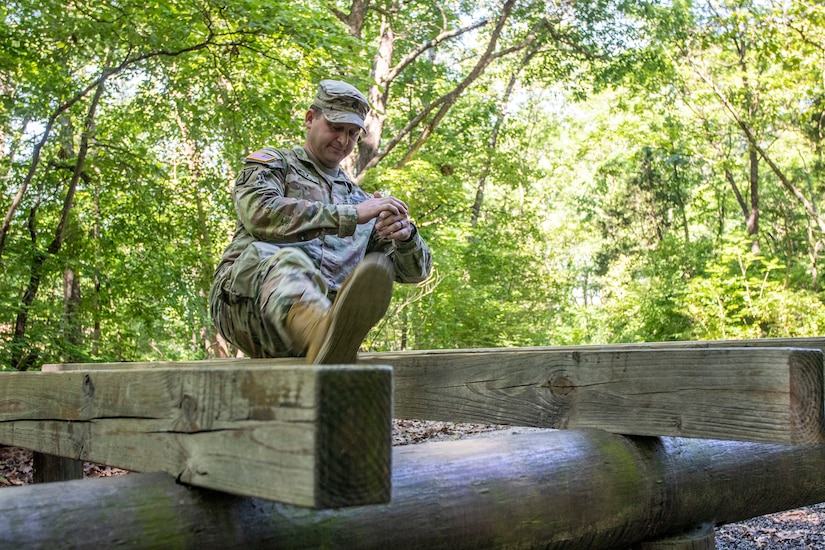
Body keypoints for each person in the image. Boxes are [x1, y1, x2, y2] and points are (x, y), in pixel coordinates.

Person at [209, 79, 432, 363]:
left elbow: (416, 273)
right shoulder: (276, 165)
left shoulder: (359, 200)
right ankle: (321, 332)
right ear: (310, 119)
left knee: (377, 267)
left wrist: (405, 236)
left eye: (352, 133)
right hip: (245, 309)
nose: (343, 140)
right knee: (275, 257)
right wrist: (351, 216)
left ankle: (328, 335)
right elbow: (258, 212)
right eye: (335, 128)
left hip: (318, 325)